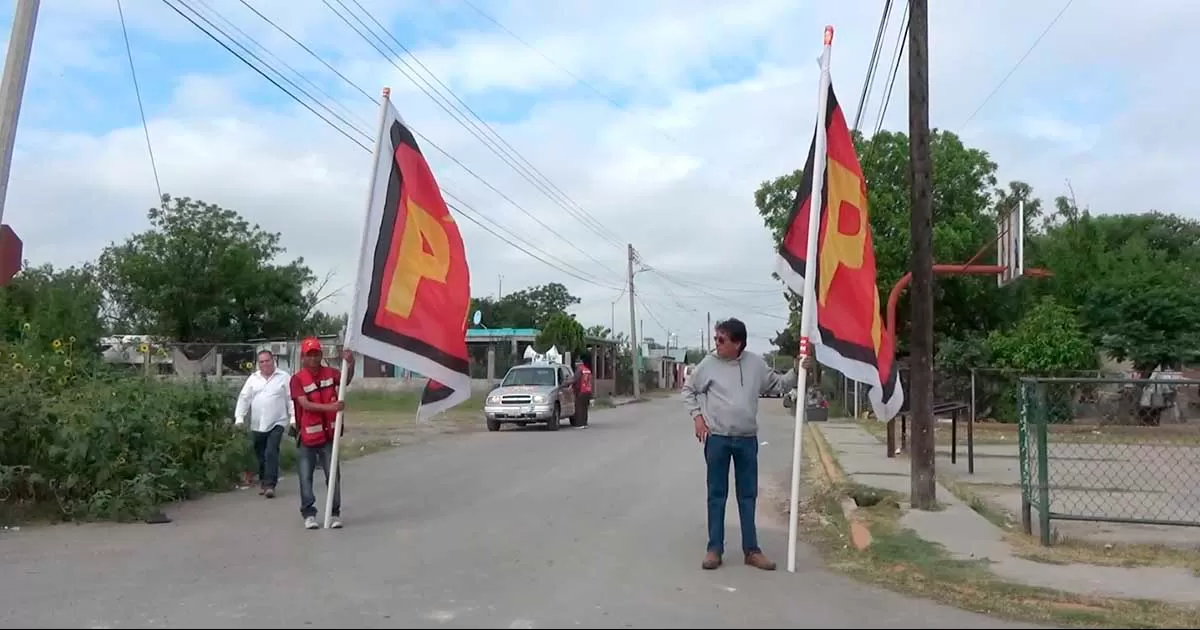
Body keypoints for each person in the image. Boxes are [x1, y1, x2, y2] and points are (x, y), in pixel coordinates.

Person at [681, 317, 797, 571]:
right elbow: (688, 390)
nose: (717, 344)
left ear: (738, 343)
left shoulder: (755, 363)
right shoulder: (709, 364)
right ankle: (714, 549)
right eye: (715, 338)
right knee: (716, 494)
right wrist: (698, 417)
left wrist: (798, 370)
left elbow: (777, 384)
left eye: (721, 340)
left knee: (747, 496)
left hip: (746, 440)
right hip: (718, 440)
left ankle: (752, 550)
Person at [289, 337, 355, 530]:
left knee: (333, 476)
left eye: (316, 354)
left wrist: (351, 362)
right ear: (303, 357)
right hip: (307, 438)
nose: (314, 358)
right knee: (305, 477)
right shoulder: (297, 379)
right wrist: (331, 407)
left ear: (321, 355)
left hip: (329, 437)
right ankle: (309, 514)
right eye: (309, 355)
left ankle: (334, 514)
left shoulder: (330, 373)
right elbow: (305, 404)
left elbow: (346, 380)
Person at [234, 350, 295, 498]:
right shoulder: (253, 379)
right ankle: (263, 480)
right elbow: (244, 398)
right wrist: (239, 418)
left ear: (273, 360)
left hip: (277, 421)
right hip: (258, 424)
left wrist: (293, 418)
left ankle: (270, 485)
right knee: (260, 453)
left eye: (267, 361)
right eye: (261, 362)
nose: (265, 364)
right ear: (258, 364)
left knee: (271, 451)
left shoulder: (284, 377)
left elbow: (291, 399)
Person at [573, 355, 594, 426]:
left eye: (576, 363)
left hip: (582, 391)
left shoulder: (579, 370)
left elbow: (575, 379)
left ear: (578, 363)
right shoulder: (587, 370)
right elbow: (590, 382)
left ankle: (580, 424)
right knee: (585, 409)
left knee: (579, 408)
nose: (575, 364)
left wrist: (564, 384)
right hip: (588, 391)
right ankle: (585, 423)